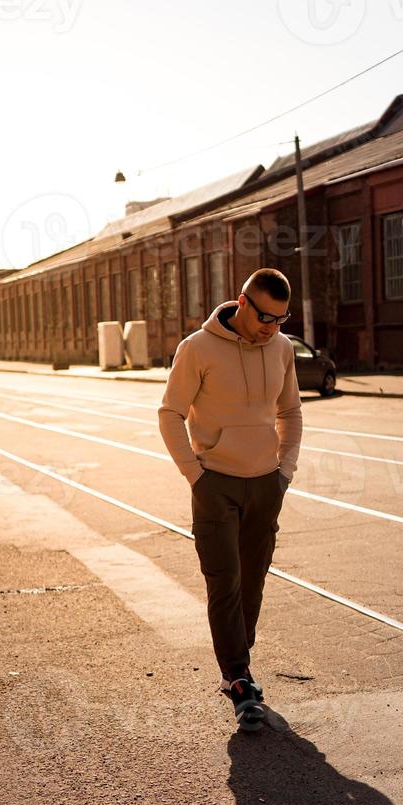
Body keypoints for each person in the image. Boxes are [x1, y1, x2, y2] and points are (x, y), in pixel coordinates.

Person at [158, 268, 302, 732]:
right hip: (215, 484)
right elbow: (169, 414)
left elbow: (291, 412)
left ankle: (238, 666)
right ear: (241, 303)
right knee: (225, 582)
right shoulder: (197, 349)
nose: (271, 326)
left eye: (280, 319)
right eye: (263, 316)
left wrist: (285, 472)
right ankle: (239, 680)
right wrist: (196, 476)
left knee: (253, 584)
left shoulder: (281, 349)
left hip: (265, 484)